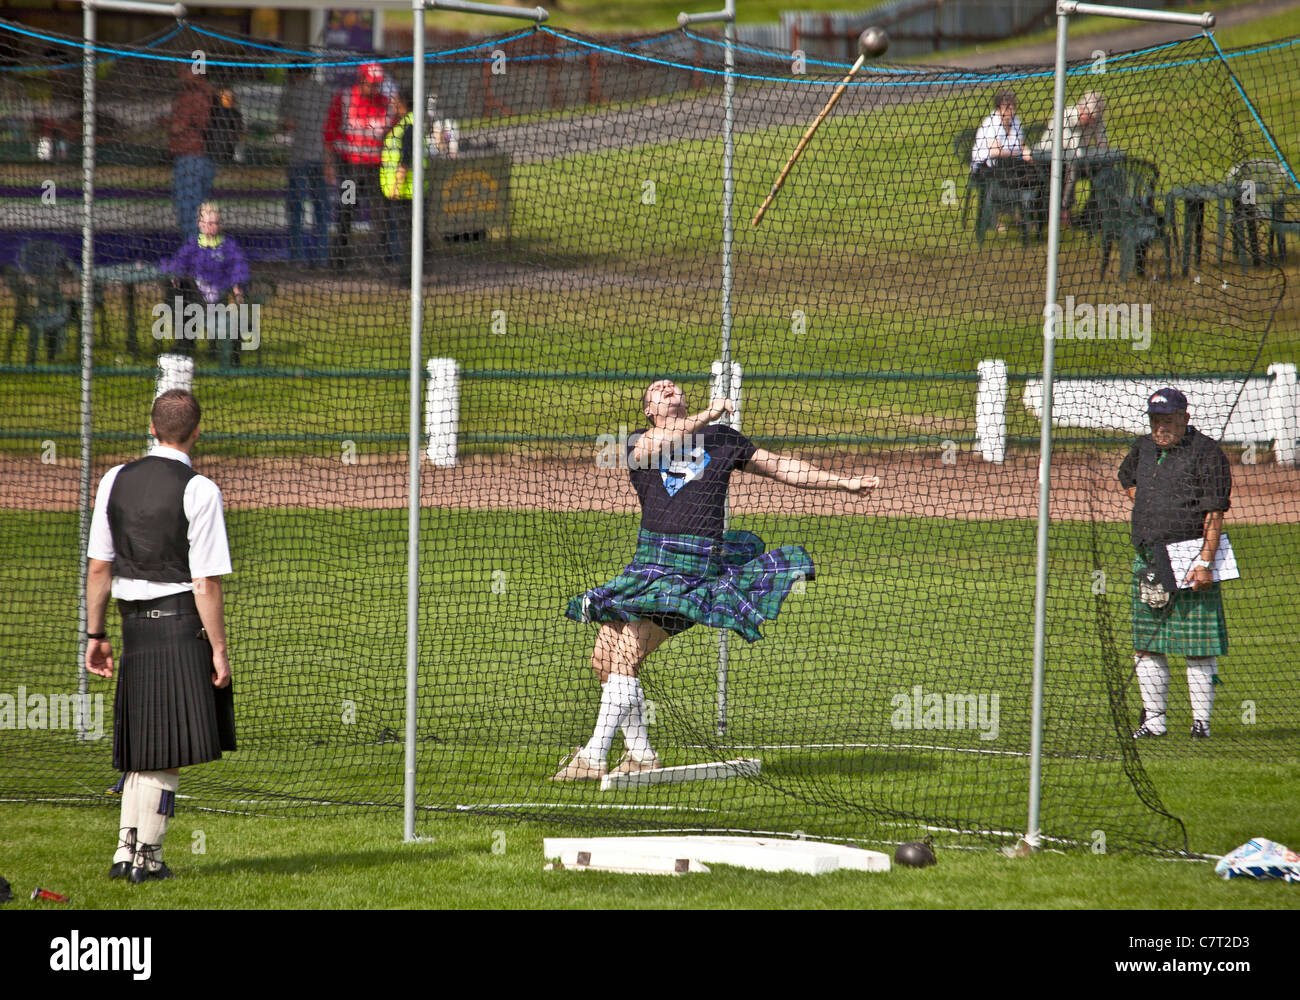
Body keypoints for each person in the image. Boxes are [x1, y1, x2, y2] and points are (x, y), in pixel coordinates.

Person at [555, 380, 880, 780]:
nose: (669, 387)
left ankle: (591, 758)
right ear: (649, 411)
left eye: (673, 386)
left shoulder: (722, 439)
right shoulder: (639, 441)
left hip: (692, 572)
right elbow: (651, 450)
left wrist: (842, 483)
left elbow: (780, 466)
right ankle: (641, 755)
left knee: (626, 653)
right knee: (603, 659)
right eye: (660, 389)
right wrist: (706, 415)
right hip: (646, 567)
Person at [85, 389, 235, 882]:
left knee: (144, 747)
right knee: (164, 749)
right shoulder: (200, 490)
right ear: (197, 432)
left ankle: (125, 854)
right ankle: (144, 858)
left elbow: (99, 566)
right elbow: (205, 582)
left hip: (131, 627)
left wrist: (96, 633)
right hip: (177, 625)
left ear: (151, 428)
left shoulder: (112, 480)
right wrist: (218, 648)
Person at [1118, 387, 1232, 740]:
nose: (1160, 427)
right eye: (1154, 420)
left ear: (1185, 417)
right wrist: (1155, 506)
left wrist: (1205, 561)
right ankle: (1154, 722)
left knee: (1198, 646)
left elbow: (1215, 510)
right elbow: (1128, 480)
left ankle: (1201, 724)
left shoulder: (1207, 453)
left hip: (1189, 559)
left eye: (1167, 420)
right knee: (1147, 643)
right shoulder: (1143, 448)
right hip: (1150, 557)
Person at [324, 62, 397, 271]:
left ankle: (380, 261)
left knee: (381, 215)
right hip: (350, 168)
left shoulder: (385, 103)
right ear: (361, 80)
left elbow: (394, 132)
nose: (374, 89)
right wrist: (329, 164)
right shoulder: (345, 99)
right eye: (371, 84)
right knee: (346, 212)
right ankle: (339, 262)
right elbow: (329, 132)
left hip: (376, 169)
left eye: (377, 84)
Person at [161, 202, 251, 367]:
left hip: (218, 298)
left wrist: (237, 288)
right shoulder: (193, 245)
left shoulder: (228, 246)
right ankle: (184, 343)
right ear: (200, 225)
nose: (211, 227)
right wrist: (175, 274)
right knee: (176, 289)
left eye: (215, 223)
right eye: (208, 224)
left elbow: (239, 267)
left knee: (185, 294)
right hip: (193, 297)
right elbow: (177, 262)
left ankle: (186, 345)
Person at [279, 63, 332, 267]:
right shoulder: (326, 92)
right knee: (321, 211)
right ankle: (321, 258)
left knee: (296, 210)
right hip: (323, 157)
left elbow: (288, 124)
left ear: (295, 73)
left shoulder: (291, 92)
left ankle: (297, 259)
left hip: (299, 158)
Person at [970, 90, 1040, 235]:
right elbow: (995, 151)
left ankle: (1028, 216)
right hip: (985, 169)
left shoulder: (1016, 122)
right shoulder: (991, 123)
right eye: (1007, 107)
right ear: (998, 108)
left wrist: (1029, 155)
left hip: (1011, 167)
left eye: (1013, 107)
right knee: (1010, 177)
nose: (1011, 111)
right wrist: (1018, 154)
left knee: (1036, 175)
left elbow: (1021, 146)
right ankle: (993, 219)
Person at [1035, 90, 1108, 224]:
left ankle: (1092, 213)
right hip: (1047, 161)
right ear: (1081, 108)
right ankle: (1064, 210)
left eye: (1094, 117)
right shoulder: (1065, 116)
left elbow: (1102, 144)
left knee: (1103, 169)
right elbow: (1068, 146)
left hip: (1077, 160)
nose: (1092, 121)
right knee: (1072, 168)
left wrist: (1100, 145)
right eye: (1090, 116)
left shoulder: (1096, 120)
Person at [168, 64, 217, 244]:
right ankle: (202, 257)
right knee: (201, 212)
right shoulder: (212, 92)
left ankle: (195, 257)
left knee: (189, 212)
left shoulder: (191, 95)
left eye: (182, 70)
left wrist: (168, 124)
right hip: (207, 159)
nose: (179, 74)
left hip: (190, 158)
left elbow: (177, 127)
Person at [380, 87, 422, 286]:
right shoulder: (407, 124)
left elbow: (406, 159)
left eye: (395, 100)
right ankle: (410, 275)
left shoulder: (409, 126)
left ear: (403, 102)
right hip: (408, 190)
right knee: (408, 236)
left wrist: (397, 185)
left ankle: (408, 278)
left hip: (406, 192)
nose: (392, 103)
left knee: (407, 238)